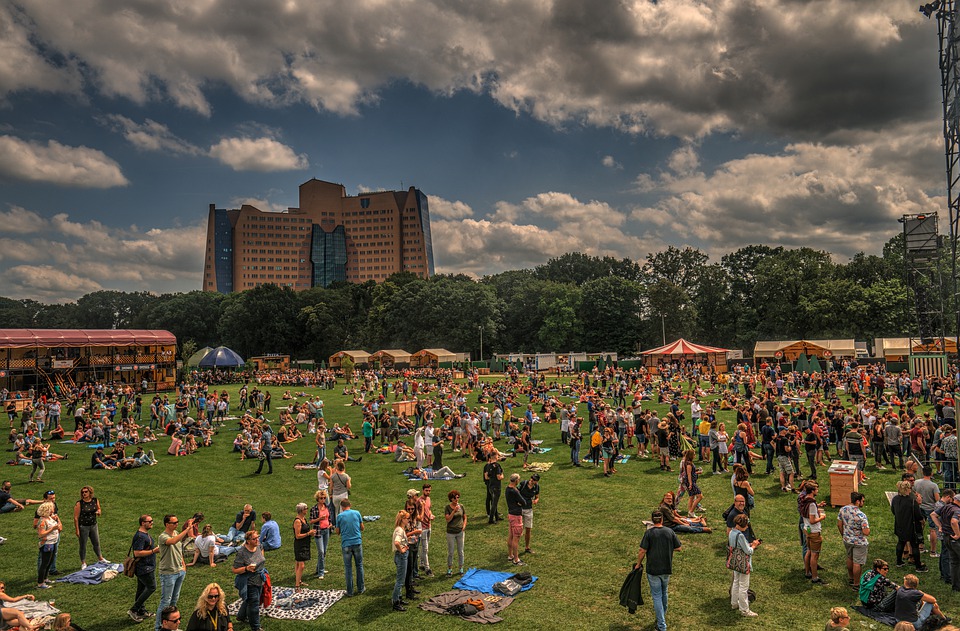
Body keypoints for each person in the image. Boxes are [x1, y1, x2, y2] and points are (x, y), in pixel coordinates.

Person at [635, 509, 682, 631]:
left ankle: (661, 625)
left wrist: (638, 563)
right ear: (662, 520)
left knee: (656, 596)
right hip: (666, 567)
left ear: (652, 520)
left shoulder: (649, 533)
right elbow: (679, 548)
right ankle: (661, 618)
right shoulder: (669, 532)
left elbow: (642, 550)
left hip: (653, 568)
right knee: (664, 593)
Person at [155, 514, 195, 631]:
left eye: (177, 521)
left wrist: (183, 565)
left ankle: (172, 624)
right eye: (174, 522)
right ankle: (159, 627)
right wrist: (187, 529)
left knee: (174, 600)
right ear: (167, 524)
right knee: (165, 602)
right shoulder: (163, 537)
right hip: (168, 573)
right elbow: (173, 542)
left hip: (179, 571)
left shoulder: (177, 533)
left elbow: (178, 550)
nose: (177, 524)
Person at [129, 514, 161, 622]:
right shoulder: (140, 536)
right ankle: (134, 610)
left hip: (146, 567)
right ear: (143, 523)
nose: (152, 522)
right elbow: (137, 553)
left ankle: (141, 611)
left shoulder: (144, 534)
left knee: (141, 589)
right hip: (144, 568)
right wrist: (153, 551)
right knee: (152, 587)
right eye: (150, 521)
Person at [232, 530, 265, 631]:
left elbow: (262, 558)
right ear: (248, 541)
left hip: (260, 577)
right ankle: (256, 627)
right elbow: (234, 569)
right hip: (249, 581)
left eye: (257, 537)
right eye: (254, 539)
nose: (257, 540)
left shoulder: (259, 546)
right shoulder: (242, 553)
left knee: (250, 599)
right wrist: (246, 568)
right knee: (254, 603)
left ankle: (241, 616)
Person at [728, 513, 760, 617]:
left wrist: (748, 545)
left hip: (735, 561)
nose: (747, 527)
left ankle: (734, 603)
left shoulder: (732, 532)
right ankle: (745, 610)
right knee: (743, 586)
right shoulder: (741, 535)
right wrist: (754, 546)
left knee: (736, 582)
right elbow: (748, 551)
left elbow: (739, 546)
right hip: (743, 563)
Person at [837, 491, 870, 589]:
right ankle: (856, 584)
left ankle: (851, 578)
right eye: (862, 501)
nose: (863, 503)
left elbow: (839, 524)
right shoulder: (861, 515)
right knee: (857, 563)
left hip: (847, 540)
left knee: (850, 558)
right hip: (859, 542)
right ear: (857, 501)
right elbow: (866, 532)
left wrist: (844, 534)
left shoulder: (843, 510)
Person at [892, 480, 927, 572]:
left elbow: (893, 511)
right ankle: (918, 566)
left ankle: (899, 561)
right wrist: (922, 520)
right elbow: (918, 515)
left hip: (900, 525)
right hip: (911, 526)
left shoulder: (895, 499)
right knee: (914, 545)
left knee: (901, 542)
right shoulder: (912, 501)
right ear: (908, 489)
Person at [336, 498, 365, 597]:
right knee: (359, 565)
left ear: (342, 507)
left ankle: (350, 591)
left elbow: (337, 532)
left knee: (348, 568)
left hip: (346, 544)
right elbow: (362, 527)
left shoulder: (339, 516)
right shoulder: (357, 513)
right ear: (350, 504)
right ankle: (361, 588)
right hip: (357, 542)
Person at [73, 485, 107, 570]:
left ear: (90, 492)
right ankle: (83, 562)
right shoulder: (79, 503)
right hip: (83, 527)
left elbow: (99, 509)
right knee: (83, 545)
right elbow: (76, 518)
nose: (84, 493)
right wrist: (77, 530)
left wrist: (99, 512)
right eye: (83, 492)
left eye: (86, 492)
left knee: (96, 543)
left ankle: (100, 558)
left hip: (93, 525)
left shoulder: (95, 500)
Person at [801, 483, 827, 585]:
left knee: (808, 551)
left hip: (806, 529)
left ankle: (807, 572)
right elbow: (812, 520)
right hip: (813, 531)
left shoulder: (804, 499)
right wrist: (822, 517)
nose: (817, 491)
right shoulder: (811, 504)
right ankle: (814, 577)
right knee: (814, 555)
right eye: (816, 489)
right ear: (812, 491)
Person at [914, 466, 941, 559]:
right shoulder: (933, 485)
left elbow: (914, 494)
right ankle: (933, 551)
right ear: (931, 473)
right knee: (933, 529)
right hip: (930, 509)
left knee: (920, 527)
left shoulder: (916, 482)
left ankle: (920, 547)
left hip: (919, 508)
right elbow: (937, 499)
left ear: (922, 472)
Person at [36, 501, 61, 589]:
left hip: (53, 542)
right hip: (47, 544)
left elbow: (59, 527)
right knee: (44, 563)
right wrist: (53, 529)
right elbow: (41, 534)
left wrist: (56, 520)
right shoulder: (42, 521)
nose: (53, 509)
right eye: (51, 508)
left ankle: (45, 578)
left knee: (49, 562)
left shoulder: (50, 518)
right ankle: (40, 583)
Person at [505, 473, 528, 566]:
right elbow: (524, 502)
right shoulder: (515, 491)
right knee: (516, 538)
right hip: (516, 516)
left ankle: (510, 555)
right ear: (516, 481)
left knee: (510, 536)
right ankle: (516, 559)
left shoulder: (507, 489)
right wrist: (519, 503)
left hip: (510, 514)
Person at [391, 510, 410, 612]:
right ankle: (395, 602)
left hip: (399, 556)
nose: (408, 520)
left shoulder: (400, 529)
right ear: (402, 519)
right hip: (401, 556)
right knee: (400, 580)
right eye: (407, 518)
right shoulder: (400, 530)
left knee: (401, 579)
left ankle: (399, 597)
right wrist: (402, 550)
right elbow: (397, 542)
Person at [309, 490, 330, 580]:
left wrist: (330, 524)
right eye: (321, 498)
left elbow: (330, 517)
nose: (323, 499)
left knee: (324, 551)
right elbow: (311, 521)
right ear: (317, 499)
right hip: (318, 531)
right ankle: (321, 572)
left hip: (326, 530)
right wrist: (319, 519)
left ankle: (319, 569)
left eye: (324, 498)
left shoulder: (326, 507)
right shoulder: (314, 509)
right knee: (321, 551)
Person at [444, 489, 466, 577]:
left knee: (461, 551)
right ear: (451, 499)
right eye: (454, 498)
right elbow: (448, 519)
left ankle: (461, 568)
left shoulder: (461, 506)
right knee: (451, 552)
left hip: (460, 532)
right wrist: (454, 511)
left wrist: (464, 526)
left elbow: (464, 517)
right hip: (451, 533)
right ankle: (449, 569)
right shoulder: (447, 508)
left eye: (457, 498)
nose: (456, 500)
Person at [292, 503, 314, 589]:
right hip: (300, 545)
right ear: (301, 510)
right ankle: (297, 585)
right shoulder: (298, 521)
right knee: (301, 565)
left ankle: (299, 580)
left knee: (298, 563)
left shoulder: (304, 519)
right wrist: (309, 533)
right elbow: (297, 535)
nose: (307, 510)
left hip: (305, 543)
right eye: (306, 508)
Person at [520, 473, 540, 555]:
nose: (532, 480)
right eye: (531, 478)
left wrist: (536, 500)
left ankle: (527, 547)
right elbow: (516, 493)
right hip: (520, 509)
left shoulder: (537, 487)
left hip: (528, 509)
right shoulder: (523, 484)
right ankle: (514, 547)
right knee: (517, 530)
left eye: (534, 479)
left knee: (528, 529)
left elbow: (537, 496)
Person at [419, 483, 435, 578]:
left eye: (429, 490)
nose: (428, 492)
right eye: (426, 490)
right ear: (423, 490)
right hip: (422, 527)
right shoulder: (419, 501)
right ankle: (427, 568)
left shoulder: (428, 499)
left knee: (426, 546)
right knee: (425, 548)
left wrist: (431, 515)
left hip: (429, 525)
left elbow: (429, 510)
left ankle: (421, 563)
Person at [483, 451, 504, 524]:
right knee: (494, 503)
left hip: (490, 486)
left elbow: (486, 477)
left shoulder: (488, 465)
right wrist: (502, 475)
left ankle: (497, 517)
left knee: (494, 501)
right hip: (496, 486)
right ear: (495, 456)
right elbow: (499, 477)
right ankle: (491, 519)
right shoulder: (497, 465)